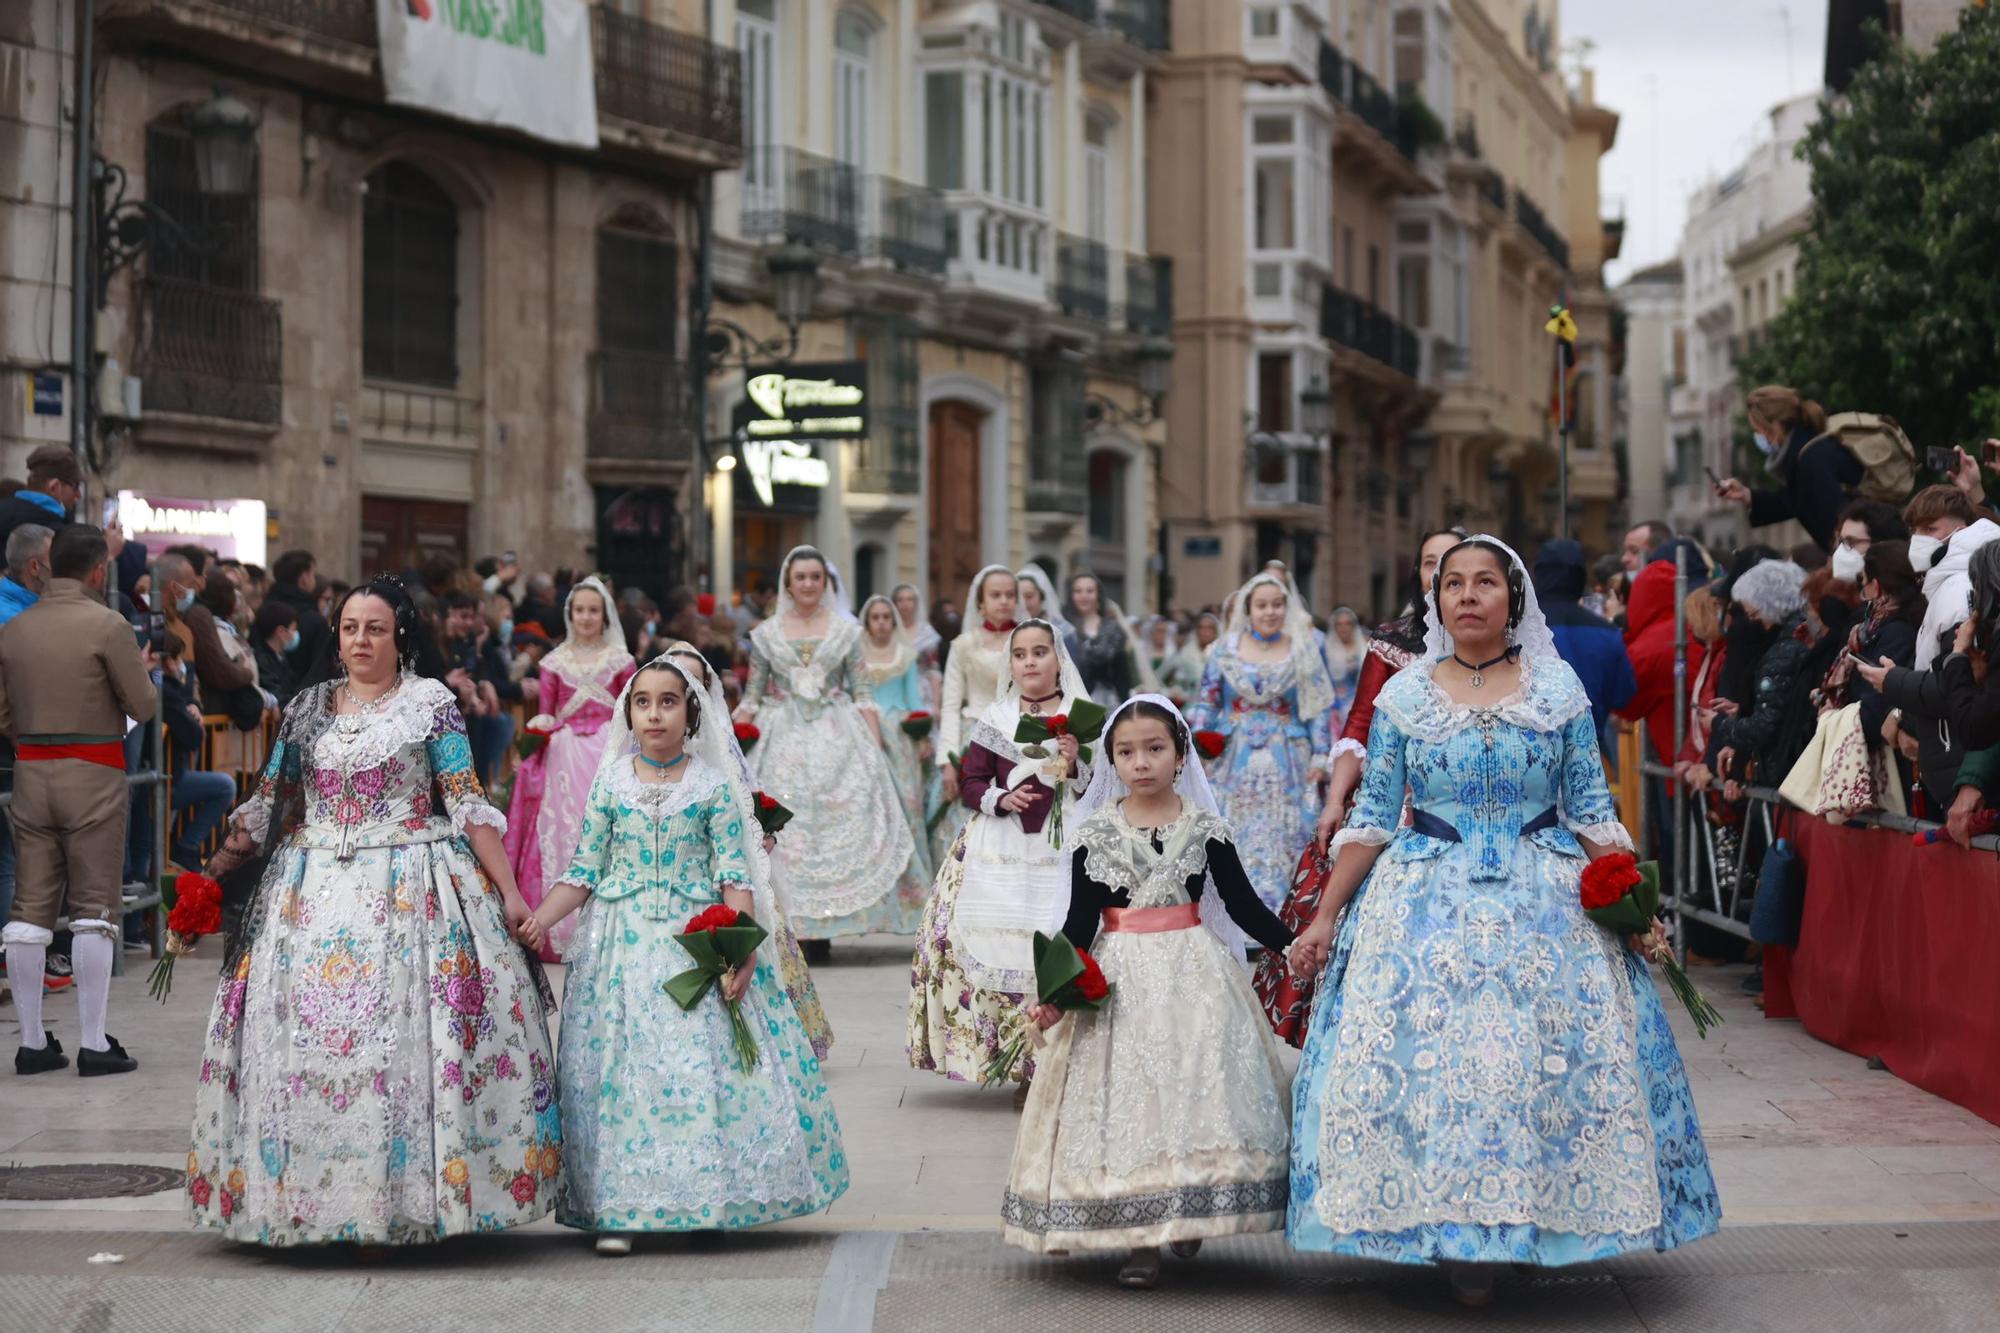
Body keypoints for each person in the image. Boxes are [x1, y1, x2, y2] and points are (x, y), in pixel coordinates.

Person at [1283, 536, 1719, 1305]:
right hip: (1423, 908)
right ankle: (1453, 1234)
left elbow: (1592, 808)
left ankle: (1529, 1223)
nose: (1469, 595)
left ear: (1513, 599)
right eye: (1454, 583)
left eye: (1486, 582)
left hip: (1545, 905)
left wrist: (1634, 907)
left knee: (1536, 1069)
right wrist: (1323, 918)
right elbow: (1375, 817)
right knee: (1434, 1072)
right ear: (1438, 601)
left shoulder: (1556, 689)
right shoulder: (1405, 697)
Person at [188, 576, 559, 1245]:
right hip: (312, 890)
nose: (361, 639)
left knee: (407, 1038)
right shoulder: (307, 708)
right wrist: (207, 880)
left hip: (413, 884)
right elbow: (268, 800)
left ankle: (414, 1195)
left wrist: (508, 892)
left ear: (401, 635)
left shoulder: (430, 703)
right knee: (306, 1042)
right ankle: (307, 1199)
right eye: (351, 627)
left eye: (376, 627)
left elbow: (467, 801)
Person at [518, 656, 847, 1252]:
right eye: (642, 702)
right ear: (629, 712)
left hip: (693, 939)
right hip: (620, 946)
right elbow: (585, 869)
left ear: (690, 713)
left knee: (696, 1068)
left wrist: (741, 951)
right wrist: (539, 920)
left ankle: (706, 1194)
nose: (654, 714)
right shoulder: (612, 781)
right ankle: (618, 1210)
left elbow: (734, 875)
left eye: (668, 701)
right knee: (621, 1072)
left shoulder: (713, 785)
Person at [1002, 696, 1294, 1288]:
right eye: (1126, 752)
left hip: (1195, 975)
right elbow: (1080, 921)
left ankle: (1186, 1210)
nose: (1141, 762)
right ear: (1111, 760)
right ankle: (1142, 1242)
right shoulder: (1096, 833)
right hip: (1120, 981)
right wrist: (1053, 988)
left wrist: (1295, 944)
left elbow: (1241, 906)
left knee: (1195, 1089)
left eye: (1155, 749)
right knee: (1133, 1096)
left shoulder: (1207, 828)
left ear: (1181, 755)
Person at [907, 620, 1090, 1093]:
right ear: (1010, 664)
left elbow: (1101, 788)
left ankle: (1059, 1060)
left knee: (1058, 936)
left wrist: (1076, 760)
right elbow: (971, 781)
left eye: (1040, 652)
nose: (1030, 662)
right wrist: (999, 798)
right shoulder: (995, 716)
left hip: (1063, 841)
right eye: (1020, 654)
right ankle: (1013, 1059)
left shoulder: (1081, 715)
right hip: (1000, 844)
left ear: (1058, 659)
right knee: (997, 938)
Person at [2, 526, 157, 1076]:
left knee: (29, 907)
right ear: (97, 571)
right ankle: (93, 1042)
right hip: (93, 770)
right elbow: (143, 701)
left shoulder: (14, 629)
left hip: (30, 772)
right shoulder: (108, 624)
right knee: (94, 907)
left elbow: (3, 710)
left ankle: (33, 1042)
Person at [734, 546, 920, 951]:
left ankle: (828, 927)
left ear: (825, 582)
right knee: (786, 826)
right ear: (788, 583)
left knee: (848, 817)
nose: (807, 584)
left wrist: (875, 750)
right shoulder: (766, 634)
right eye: (800, 577)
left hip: (838, 734)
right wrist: (734, 736)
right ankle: (792, 924)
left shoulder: (845, 632)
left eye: (815, 577)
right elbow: (753, 692)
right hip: (781, 736)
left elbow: (863, 690)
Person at [663, 641, 832, 1060]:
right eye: (676, 683)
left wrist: (761, 833)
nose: (687, 692)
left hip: (731, 867)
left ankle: (773, 1039)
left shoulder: (720, 741)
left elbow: (744, 796)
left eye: (694, 684)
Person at [1185, 572, 1336, 917]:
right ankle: (1233, 913)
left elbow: (1316, 709)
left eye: (1277, 604)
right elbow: (1207, 702)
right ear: (1248, 609)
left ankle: (1282, 913)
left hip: (1288, 758)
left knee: (1285, 832)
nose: (1270, 612)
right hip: (1233, 758)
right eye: (1262, 605)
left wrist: (1320, 754)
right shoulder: (1224, 651)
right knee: (1231, 830)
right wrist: (1199, 744)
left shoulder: (1302, 651)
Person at [504, 576, 636, 963]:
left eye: (593, 610)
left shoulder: (621, 661)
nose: (586, 617)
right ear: (570, 614)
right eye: (580, 610)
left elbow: (630, 710)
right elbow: (547, 710)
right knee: (563, 830)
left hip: (607, 751)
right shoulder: (554, 662)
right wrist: (536, 736)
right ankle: (558, 924)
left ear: (605, 614)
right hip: (564, 755)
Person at [936, 566, 1018, 860]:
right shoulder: (963, 645)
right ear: (981, 602)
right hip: (972, 735)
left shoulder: (1027, 641)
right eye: (996, 595)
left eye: (1010, 594)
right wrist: (947, 760)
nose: (1004, 601)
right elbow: (950, 705)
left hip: (1019, 735)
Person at [1711, 386, 1852, 552]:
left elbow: (1839, 516)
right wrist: (1746, 495)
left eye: (1758, 430)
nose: (1758, 437)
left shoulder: (1810, 457)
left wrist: (1843, 561)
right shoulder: (1804, 453)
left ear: (1775, 426)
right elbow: (1791, 500)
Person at [858, 594, 937, 888]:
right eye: (875, 617)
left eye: (886, 617)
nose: (881, 623)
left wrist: (922, 732)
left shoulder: (906, 655)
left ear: (893, 621)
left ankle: (910, 877)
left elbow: (915, 699)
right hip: (864, 730)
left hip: (900, 734)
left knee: (906, 801)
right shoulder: (856, 655)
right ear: (867, 622)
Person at [1710, 561, 1811, 789]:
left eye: (1754, 613)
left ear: (1770, 605)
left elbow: (1767, 724)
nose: (1755, 622)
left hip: (1786, 773)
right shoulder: (1799, 636)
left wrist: (1719, 723)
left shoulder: (1784, 650)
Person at [0, 524, 52, 933]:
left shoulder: (30, 611)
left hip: (22, 748)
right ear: (35, 566)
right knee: (9, 858)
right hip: (14, 752)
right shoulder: (15, 618)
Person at [1534, 539, 1636, 744]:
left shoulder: (1514, 629)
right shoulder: (1607, 633)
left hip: (1529, 759)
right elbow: (1623, 696)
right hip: (1590, 749)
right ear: (1581, 577)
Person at [156, 632, 237, 871]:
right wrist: (189, 710)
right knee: (225, 786)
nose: (182, 665)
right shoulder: (167, 693)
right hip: (169, 779)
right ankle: (187, 846)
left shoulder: (170, 691)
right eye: (179, 658)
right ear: (170, 662)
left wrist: (192, 705)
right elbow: (193, 736)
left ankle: (185, 847)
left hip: (170, 776)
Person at [1902, 484, 2000, 671]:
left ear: (1961, 531)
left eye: (1930, 529)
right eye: (1915, 530)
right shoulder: (1945, 582)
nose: (1918, 538)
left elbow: (1950, 681)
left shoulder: (1960, 587)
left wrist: (1895, 681)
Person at [441, 591, 521, 788]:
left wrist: (482, 687)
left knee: (499, 721)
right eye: (462, 616)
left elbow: (472, 675)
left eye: (471, 617)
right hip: (448, 717)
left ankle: (484, 784)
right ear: (448, 615)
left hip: (469, 710)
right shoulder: (440, 644)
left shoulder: (466, 642)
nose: (467, 623)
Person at [1066, 571, 1155, 709]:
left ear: (1098, 595)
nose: (1083, 596)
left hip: (1106, 703)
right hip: (1070, 701)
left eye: (1089, 591)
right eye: (1078, 591)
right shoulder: (1064, 629)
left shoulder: (1113, 630)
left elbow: (1122, 674)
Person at [0, 444, 79, 549]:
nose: (79, 495)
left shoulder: (4, 511)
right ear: (54, 487)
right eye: (75, 486)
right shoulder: (57, 535)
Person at [248, 599, 303, 709]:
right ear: (281, 631)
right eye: (293, 629)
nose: (295, 634)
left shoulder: (281, 658)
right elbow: (277, 695)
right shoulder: (262, 660)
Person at [1014, 565, 1078, 656]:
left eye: (1029, 596)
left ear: (1042, 597)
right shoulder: (1009, 629)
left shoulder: (1062, 632)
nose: (1023, 603)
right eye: (1019, 597)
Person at [1323, 607, 1366, 725]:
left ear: (1353, 626)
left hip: (1357, 703)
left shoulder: (1363, 649)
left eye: (1347, 624)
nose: (1343, 628)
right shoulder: (1327, 649)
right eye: (1339, 624)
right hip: (1332, 705)